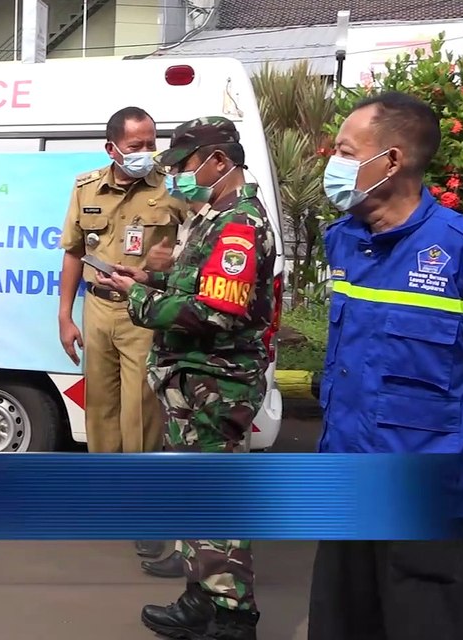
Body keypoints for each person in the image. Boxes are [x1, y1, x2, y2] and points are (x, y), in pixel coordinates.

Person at [93, 116, 276, 640]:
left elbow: (214, 314)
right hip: (192, 384)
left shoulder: (239, 224)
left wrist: (138, 299)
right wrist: (144, 276)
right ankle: (201, 597)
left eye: (188, 163)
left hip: (215, 386)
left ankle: (234, 617)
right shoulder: (214, 216)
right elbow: (194, 282)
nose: (179, 175)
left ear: (219, 161)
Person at [307, 91, 463, 640]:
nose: (333, 165)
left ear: (392, 160)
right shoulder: (344, 243)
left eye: (346, 152)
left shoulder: (459, 251)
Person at [58, 106, 188, 565]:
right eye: (136, 146)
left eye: (151, 143)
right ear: (112, 148)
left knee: (141, 410)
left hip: (144, 312)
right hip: (97, 309)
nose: (146, 153)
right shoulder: (87, 187)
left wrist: (162, 268)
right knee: (102, 408)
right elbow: (74, 253)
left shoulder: (172, 187)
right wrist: (64, 317)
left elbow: (194, 250)